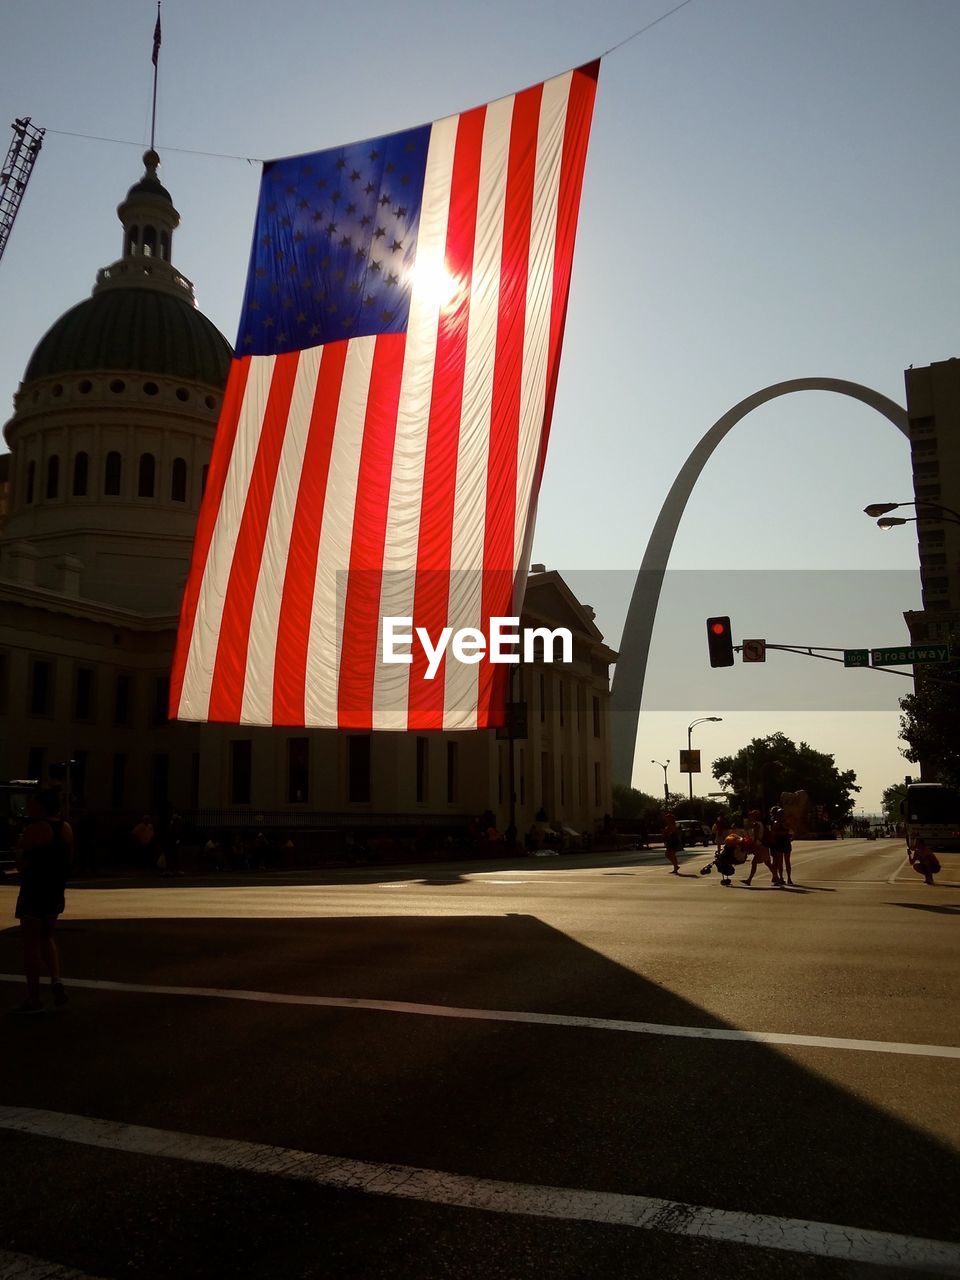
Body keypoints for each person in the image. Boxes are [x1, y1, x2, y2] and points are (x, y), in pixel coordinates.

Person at [10, 789, 74, 1013]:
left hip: (34, 888)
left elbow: (22, 863)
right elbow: (68, 858)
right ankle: (56, 978)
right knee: (47, 936)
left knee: (30, 945)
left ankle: (34, 997)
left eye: (33, 804)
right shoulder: (64, 828)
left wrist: (19, 849)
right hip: (55, 889)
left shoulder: (35, 829)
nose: (29, 808)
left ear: (42, 807)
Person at [743, 808, 776, 886]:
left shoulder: (756, 824)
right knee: (767, 863)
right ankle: (776, 877)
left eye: (752, 815)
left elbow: (757, 837)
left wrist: (753, 846)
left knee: (757, 863)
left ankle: (749, 880)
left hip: (760, 845)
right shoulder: (760, 823)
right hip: (762, 845)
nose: (750, 816)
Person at [767, 806, 793, 886]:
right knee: (783, 861)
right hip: (783, 842)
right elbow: (790, 832)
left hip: (780, 842)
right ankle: (785, 878)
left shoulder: (777, 822)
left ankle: (784, 878)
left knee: (782, 861)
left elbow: (774, 833)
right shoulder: (783, 822)